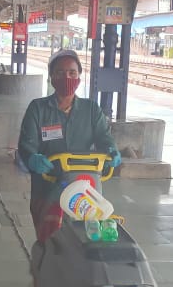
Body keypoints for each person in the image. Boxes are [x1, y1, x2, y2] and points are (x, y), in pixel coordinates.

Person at [17, 50, 121, 242]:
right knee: (50, 239)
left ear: (79, 76)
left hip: (85, 186)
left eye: (72, 73)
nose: (66, 77)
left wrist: (112, 150)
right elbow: (26, 144)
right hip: (47, 185)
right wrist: (32, 158)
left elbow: (103, 137)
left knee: (88, 234)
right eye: (60, 72)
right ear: (52, 77)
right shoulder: (38, 108)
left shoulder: (91, 110)